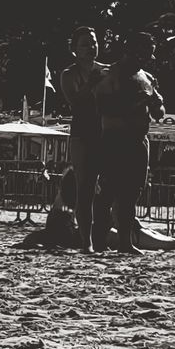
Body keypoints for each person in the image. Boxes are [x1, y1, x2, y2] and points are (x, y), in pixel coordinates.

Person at [95, 31, 165, 255]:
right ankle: (99, 240)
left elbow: (159, 114)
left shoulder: (148, 78)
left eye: (151, 54)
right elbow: (103, 108)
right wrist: (135, 104)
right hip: (115, 140)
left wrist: (156, 103)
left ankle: (125, 242)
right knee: (108, 192)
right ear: (132, 50)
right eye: (145, 53)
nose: (148, 58)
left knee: (131, 193)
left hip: (139, 141)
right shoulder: (110, 73)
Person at [60, 25, 110, 253]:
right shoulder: (69, 74)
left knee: (109, 189)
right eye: (86, 44)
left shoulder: (108, 71)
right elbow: (76, 103)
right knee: (86, 188)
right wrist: (91, 83)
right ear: (75, 50)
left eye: (94, 42)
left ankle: (101, 239)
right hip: (82, 134)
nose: (91, 47)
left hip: (107, 134)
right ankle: (86, 241)